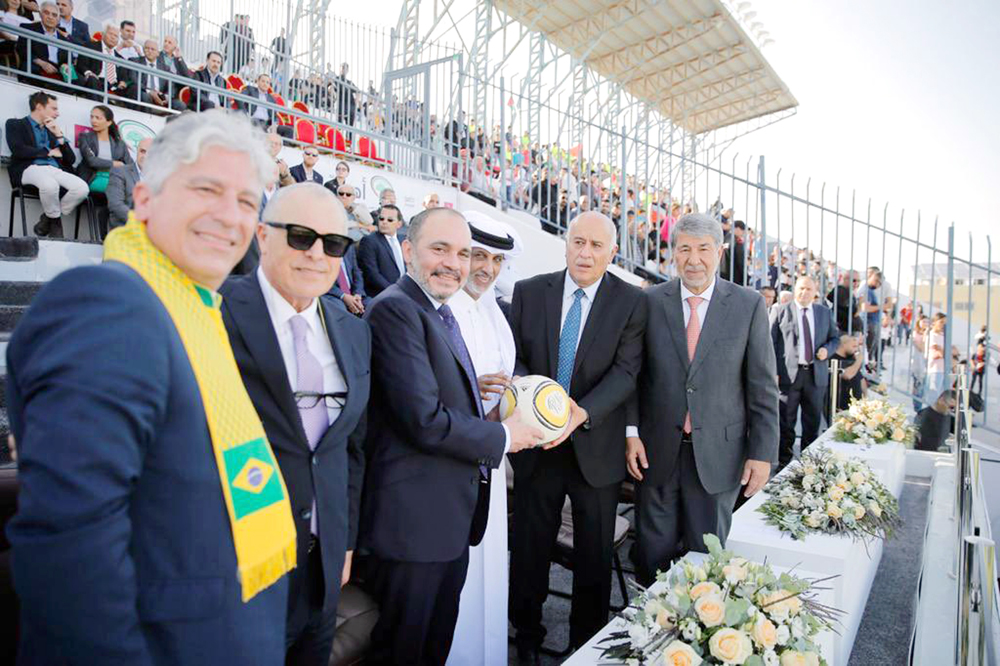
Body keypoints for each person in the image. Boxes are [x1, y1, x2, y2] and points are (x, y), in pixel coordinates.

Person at [6, 109, 296, 664]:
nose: (227, 215)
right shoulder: (107, 303)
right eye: (206, 189)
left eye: (244, 201)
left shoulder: (194, 307)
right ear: (143, 200)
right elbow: (71, 553)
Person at [360, 207, 543, 664]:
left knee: (432, 648)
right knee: (404, 651)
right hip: (412, 529)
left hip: (446, 522)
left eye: (462, 253)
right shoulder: (397, 311)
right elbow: (423, 419)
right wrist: (502, 437)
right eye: (439, 249)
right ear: (407, 250)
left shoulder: (437, 310)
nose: (454, 263)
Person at [221, 183, 368, 666]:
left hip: (322, 570)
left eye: (333, 244)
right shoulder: (215, 314)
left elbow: (350, 449)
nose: (317, 255)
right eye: (301, 237)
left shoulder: (350, 328)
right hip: (239, 571)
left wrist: (343, 544)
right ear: (263, 236)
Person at [509, 211, 648, 661]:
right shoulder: (530, 292)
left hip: (596, 445)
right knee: (529, 549)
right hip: (537, 446)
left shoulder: (631, 302)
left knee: (593, 558)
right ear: (565, 244)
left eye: (596, 245)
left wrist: (579, 414)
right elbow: (517, 361)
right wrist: (537, 406)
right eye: (577, 242)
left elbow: (627, 372)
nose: (585, 253)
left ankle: (583, 644)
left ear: (612, 253)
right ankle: (526, 637)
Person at [627, 213, 779, 587]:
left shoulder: (748, 305)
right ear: (672, 253)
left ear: (720, 252)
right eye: (684, 249)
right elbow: (632, 377)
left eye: (703, 249)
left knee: (707, 559)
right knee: (651, 555)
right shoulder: (648, 302)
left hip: (718, 458)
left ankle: (695, 636)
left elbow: (762, 385)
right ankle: (650, 635)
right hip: (657, 453)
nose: (693, 259)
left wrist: (762, 454)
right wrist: (630, 432)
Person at [446, 212, 519, 666]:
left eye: (495, 259)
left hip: (490, 465)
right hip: (451, 469)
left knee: (491, 571)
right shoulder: (444, 309)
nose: (486, 268)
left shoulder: (494, 312)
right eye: (477, 255)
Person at [771, 276, 840, 468]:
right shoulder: (781, 311)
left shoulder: (823, 313)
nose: (804, 292)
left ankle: (809, 465)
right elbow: (770, 343)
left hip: (814, 375)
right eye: (801, 288)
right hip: (788, 376)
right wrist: (774, 372)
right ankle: (783, 465)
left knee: (812, 421)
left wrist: (827, 349)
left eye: (809, 289)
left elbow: (835, 338)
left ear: (815, 292)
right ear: (795, 289)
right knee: (786, 422)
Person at [5, 90, 88, 238]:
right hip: (29, 168)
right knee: (49, 185)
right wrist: (48, 152)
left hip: (54, 169)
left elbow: (70, 159)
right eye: (54, 108)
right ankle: (56, 224)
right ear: (39, 107)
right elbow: (18, 149)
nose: (58, 113)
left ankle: (47, 219)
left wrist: (59, 135)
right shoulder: (15, 124)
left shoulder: (53, 129)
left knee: (81, 189)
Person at [77, 104, 132, 193]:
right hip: (93, 178)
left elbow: (130, 165)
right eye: (92, 117)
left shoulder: (119, 144)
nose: (93, 120)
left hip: (113, 178)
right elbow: (91, 161)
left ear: (109, 122)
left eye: (98, 118)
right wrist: (114, 164)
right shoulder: (85, 137)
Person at [357, 203, 404, 297]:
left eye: (390, 220)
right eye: (381, 218)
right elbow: (372, 275)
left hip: (405, 293)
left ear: (399, 224)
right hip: (381, 296)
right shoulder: (369, 241)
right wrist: (395, 292)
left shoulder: (404, 240)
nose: (384, 222)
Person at [127, 39, 186, 110]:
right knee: (145, 97)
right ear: (143, 50)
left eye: (152, 49)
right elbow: (134, 81)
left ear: (158, 53)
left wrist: (167, 96)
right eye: (147, 48)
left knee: (181, 105)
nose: (149, 51)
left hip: (160, 94)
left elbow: (171, 83)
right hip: (144, 92)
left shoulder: (164, 67)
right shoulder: (135, 62)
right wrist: (150, 92)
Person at [18, 2, 71, 80]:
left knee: (79, 80)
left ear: (59, 19)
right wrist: (41, 63)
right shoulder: (28, 28)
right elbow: (21, 50)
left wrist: (65, 65)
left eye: (54, 15)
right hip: (37, 66)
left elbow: (68, 59)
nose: (50, 17)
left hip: (58, 70)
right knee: (27, 67)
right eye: (46, 13)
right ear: (40, 14)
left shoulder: (64, 39)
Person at [107, 136, 150, 229]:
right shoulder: (119, 172)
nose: (145, 156)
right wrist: (141, 221)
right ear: (137, 151)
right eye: (142, 151)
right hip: (125, 230)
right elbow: (115, 205)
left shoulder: (159, 178)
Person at [77, 24, 130, 96]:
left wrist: (123, 82)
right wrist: (89, 73)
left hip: (114, 86)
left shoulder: (120, 58)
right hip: (97, 80)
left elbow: (124, 77)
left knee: (134, 89)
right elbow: (81, 64)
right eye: (110, 34)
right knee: (92, 80)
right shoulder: (90, 46)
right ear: (103, 34)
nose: (113, 37)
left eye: (116, 36)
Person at [328, 242, 367, 316]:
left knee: (372, 305)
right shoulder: (322, 248)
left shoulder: (349, 246)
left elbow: (357, 272)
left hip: (353, 293)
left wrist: (358, 294)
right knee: (343, 313)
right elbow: (323, 280)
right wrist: (343, 296)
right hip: (334, 295)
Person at [924, 312, 948, 405]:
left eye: (945, 323)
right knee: (932, 396)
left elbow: (953, 351)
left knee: (939, 396)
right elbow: (941, 353)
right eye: (941, 322)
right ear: (934, 322)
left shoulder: (942, 336)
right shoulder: (932, 335)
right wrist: (946, 351)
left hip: (942, 369)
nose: (943, 325)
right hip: (935, 369)